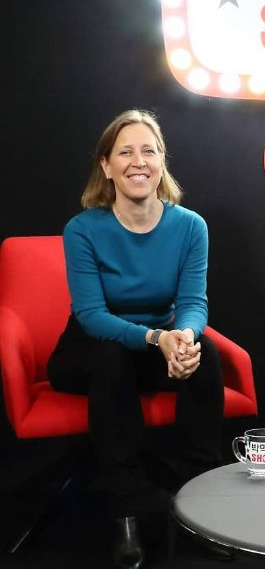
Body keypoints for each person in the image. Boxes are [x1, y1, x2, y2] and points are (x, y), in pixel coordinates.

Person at [48, 109, 225, 569]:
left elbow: (193, 302)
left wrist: (184, 337)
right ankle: (127, 510)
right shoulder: (83, 229)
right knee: (112, 359)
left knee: (207, 356)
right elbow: (92, 316)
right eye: (125, 152)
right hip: (89, 348)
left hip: (155, 344)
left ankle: (201, 503)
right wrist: (155, 337)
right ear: (106, 166)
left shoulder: (190, 226)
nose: (138, 161)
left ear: (162, 161)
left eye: (149, 150)